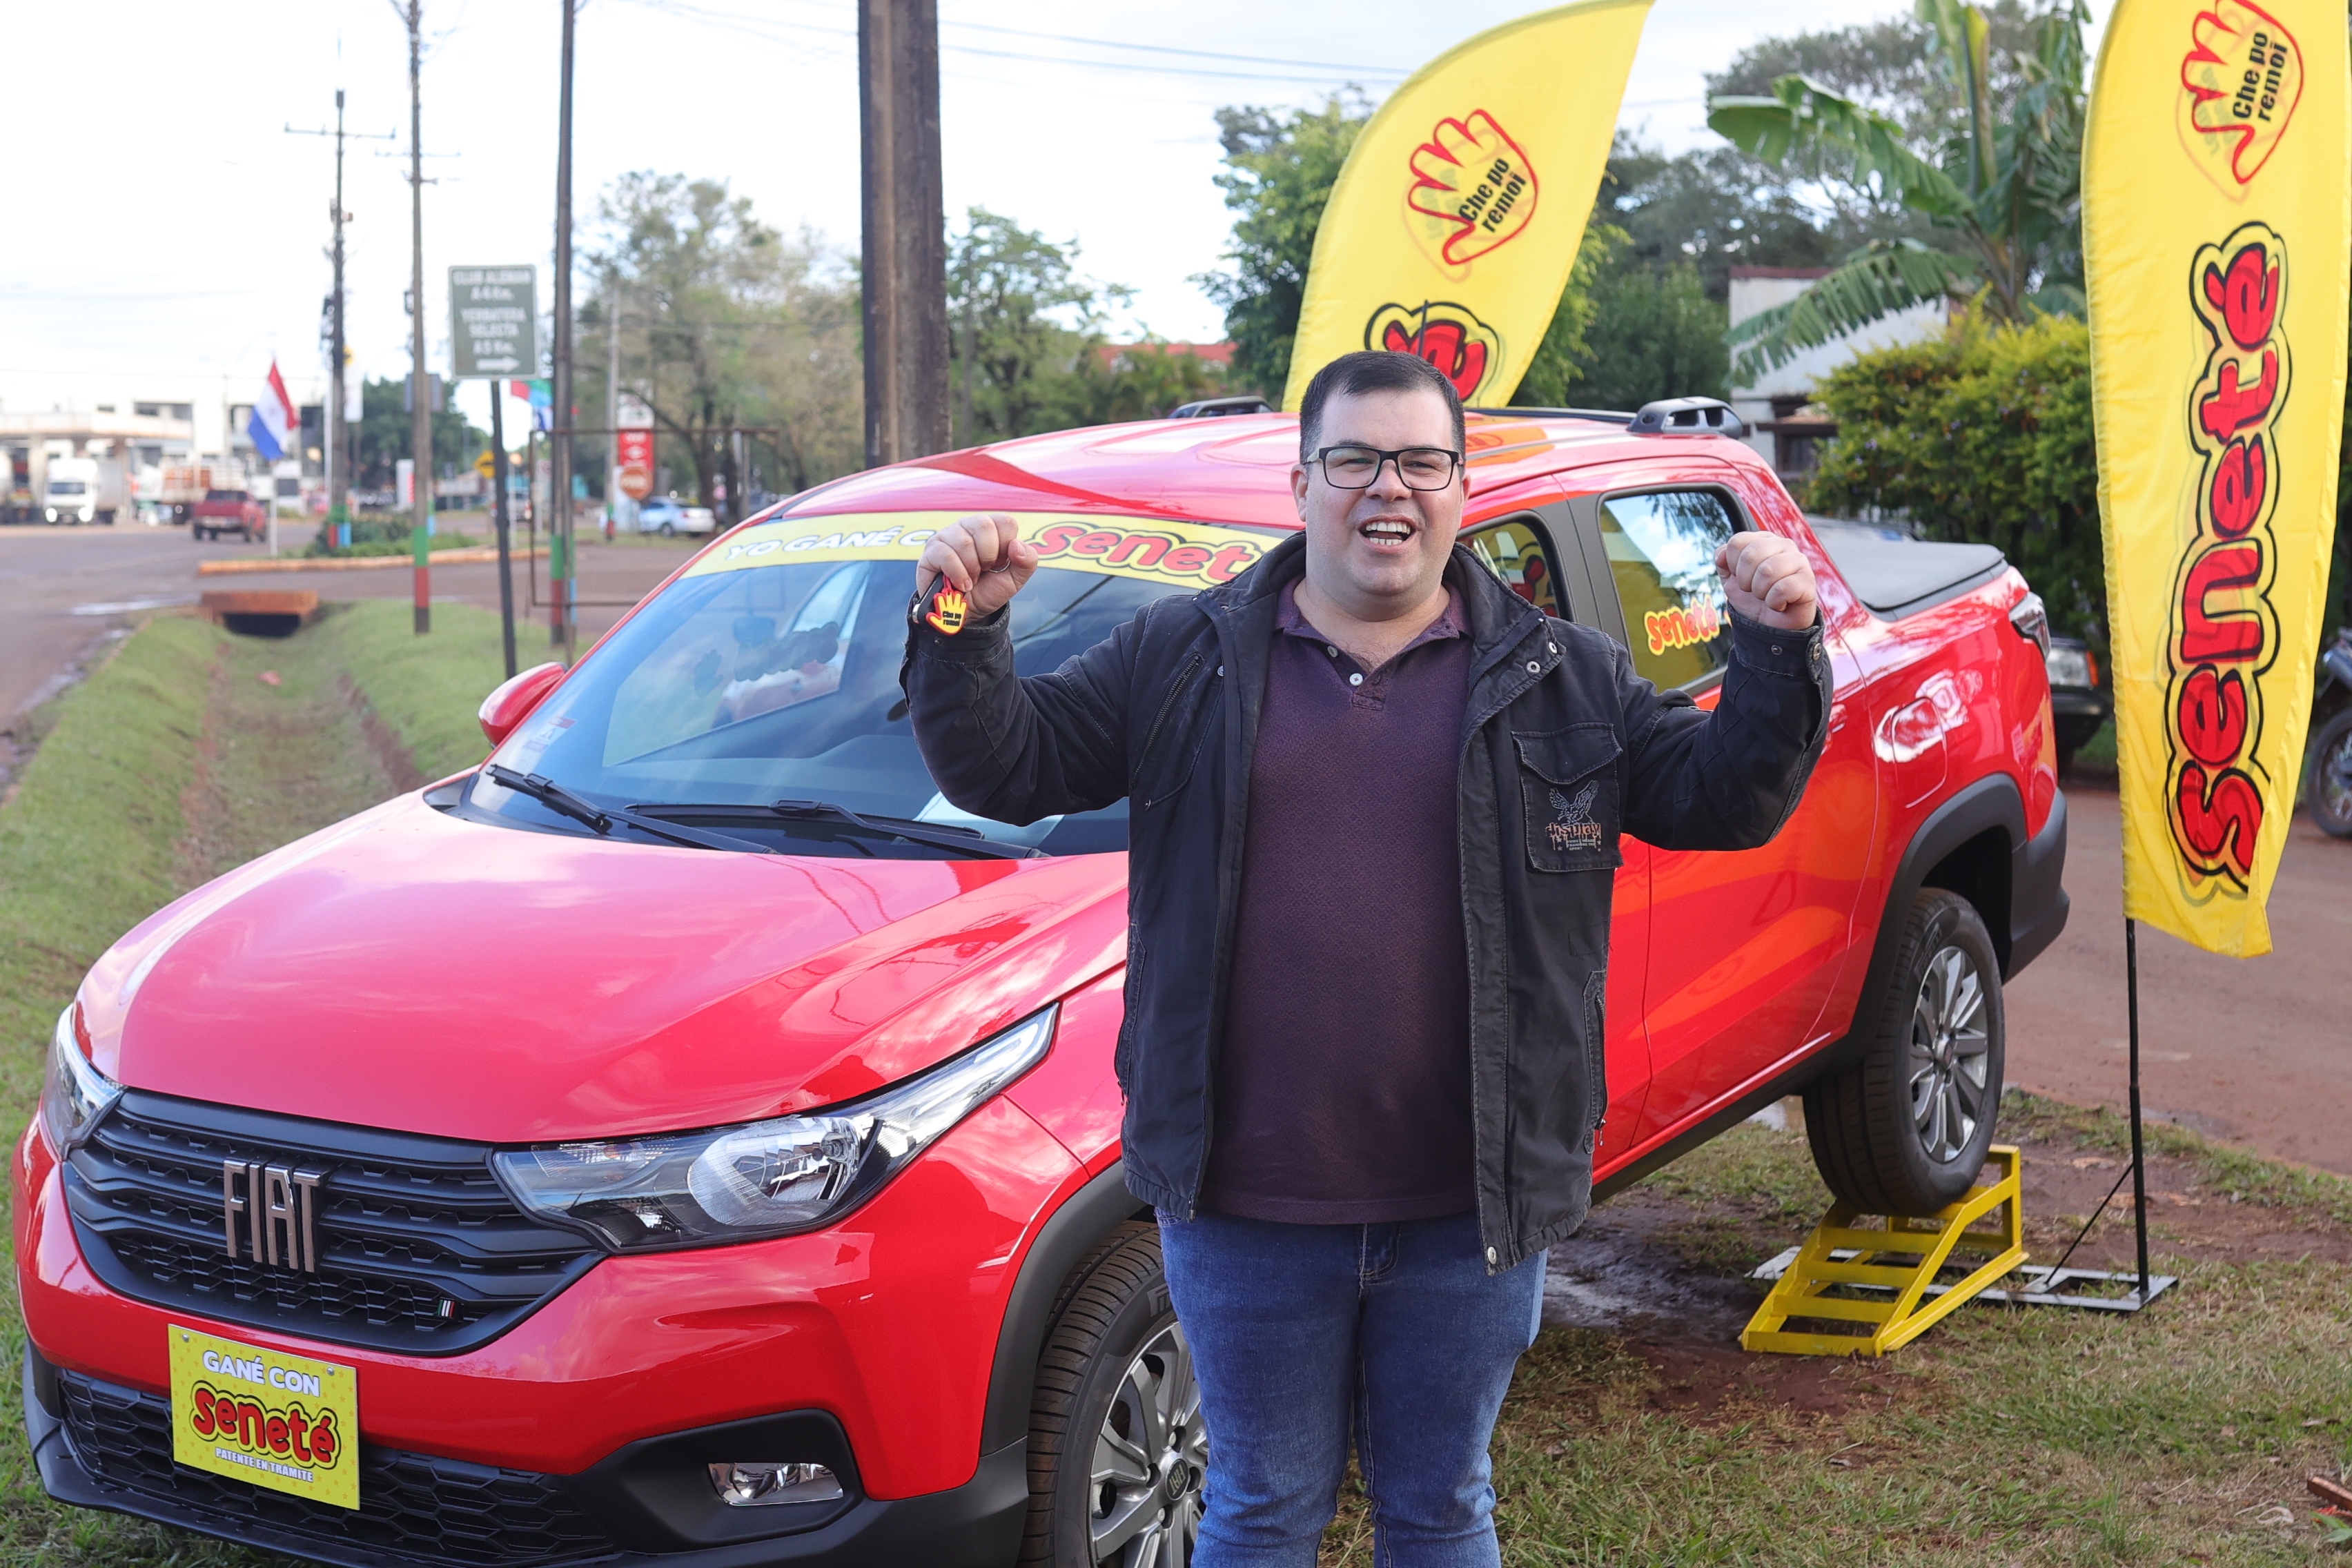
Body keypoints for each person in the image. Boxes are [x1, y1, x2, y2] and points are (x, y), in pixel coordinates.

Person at [901, 350, 1829, 1567]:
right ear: (1302, 486)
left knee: (1442, 1508)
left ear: (1460, 490)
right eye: (1353, 460)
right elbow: (1006, 766)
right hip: (1244, 1207)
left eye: (1422, 462)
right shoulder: (1180, 657)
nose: (1388, 487)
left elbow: (1728, 798)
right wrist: (961, 627)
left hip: (1469, 1207)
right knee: (1259, 1509)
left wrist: (1774, 649)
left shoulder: (1567, 678)